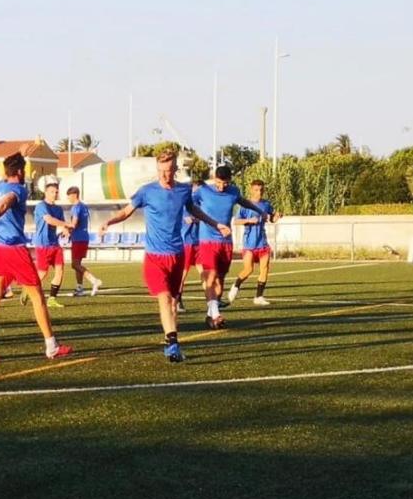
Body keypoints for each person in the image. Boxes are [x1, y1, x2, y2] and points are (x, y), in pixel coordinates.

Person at [99, 150, 230, 362]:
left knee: (173, 302)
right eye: (160, 171)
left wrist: (215, 224)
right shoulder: (146, 192)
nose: (164, 175)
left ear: (175, 170)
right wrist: (109, 222)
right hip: (154, 256)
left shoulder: (184, 191)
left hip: (177, 255)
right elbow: (125, 212)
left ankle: (172, 342)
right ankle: (172, 342)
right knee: (164, 297)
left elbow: (194, 210)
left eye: (168, 171)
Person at [0, 154, 72, 362]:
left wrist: (21, 152)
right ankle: (51, 346)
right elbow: (5, 204)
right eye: (23, 169)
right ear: (19, 172)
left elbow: (1, 197)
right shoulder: (19, 189)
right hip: (13, 250)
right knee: (37, 297)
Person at [192, 165, 265, 328]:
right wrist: (190, 217)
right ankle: (216, 313)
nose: (221, 186)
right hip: (207, 240)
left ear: (230, 181)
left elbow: (243, 201)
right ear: (214, 178)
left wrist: (259, 211)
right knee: (210, 276)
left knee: (220, 278)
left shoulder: (233, 191)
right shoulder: (203, 191)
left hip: (226, 242)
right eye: (218, 182)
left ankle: (211, 314)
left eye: (225, 183)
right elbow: (189, 204)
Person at [227, 179, 281, 306]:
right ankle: (236, 285)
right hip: (249, 244)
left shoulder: (266, 204)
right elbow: (235, 221)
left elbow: (271, 218)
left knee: (265, 269)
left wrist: (276, 217)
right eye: (256, 190)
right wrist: (249, 221)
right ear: (251, 190)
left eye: (261, 190)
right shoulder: (244, 205)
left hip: (262, 242)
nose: (259, 192)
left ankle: (259, 296)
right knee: (248, 269)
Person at [32, 180, 70, 308]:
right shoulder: (41, 206)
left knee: (60, 270)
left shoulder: (58, 209)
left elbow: (61, 223)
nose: (54, 194)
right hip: (43, 243)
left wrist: (66, 230)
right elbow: (49, 220)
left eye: (56, 192)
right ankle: (28, 288)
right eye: (52, 192)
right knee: (42, 273)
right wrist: (65, 225)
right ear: (46, 193)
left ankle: (52, 298)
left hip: (55, 243)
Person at [64, 186, 102, 297]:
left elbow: (74, 223)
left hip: (78, 238)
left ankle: (94, 280)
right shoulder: (84, 206)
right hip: (83, 238)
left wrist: (67, 229)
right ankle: (79, 288)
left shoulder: (76, 207)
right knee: (77, 264)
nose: (68, 199)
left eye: (69, 196)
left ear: (74, 195)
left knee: (74, 264)